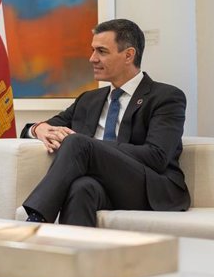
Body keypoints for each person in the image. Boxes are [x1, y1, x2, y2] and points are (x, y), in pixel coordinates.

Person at [22, 18, 190, 226]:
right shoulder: (88, 100)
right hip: (103, 186)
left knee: (77, 143)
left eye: (101, 51)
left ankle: (36, 220)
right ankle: (76, 255)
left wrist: (92, 148)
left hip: (149, 186)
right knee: (81, 188)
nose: (92, 58)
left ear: (129, 55)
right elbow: (49, 126)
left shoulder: (166, 97)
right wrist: (38, 129)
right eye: (92, 50)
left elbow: (157, 156)